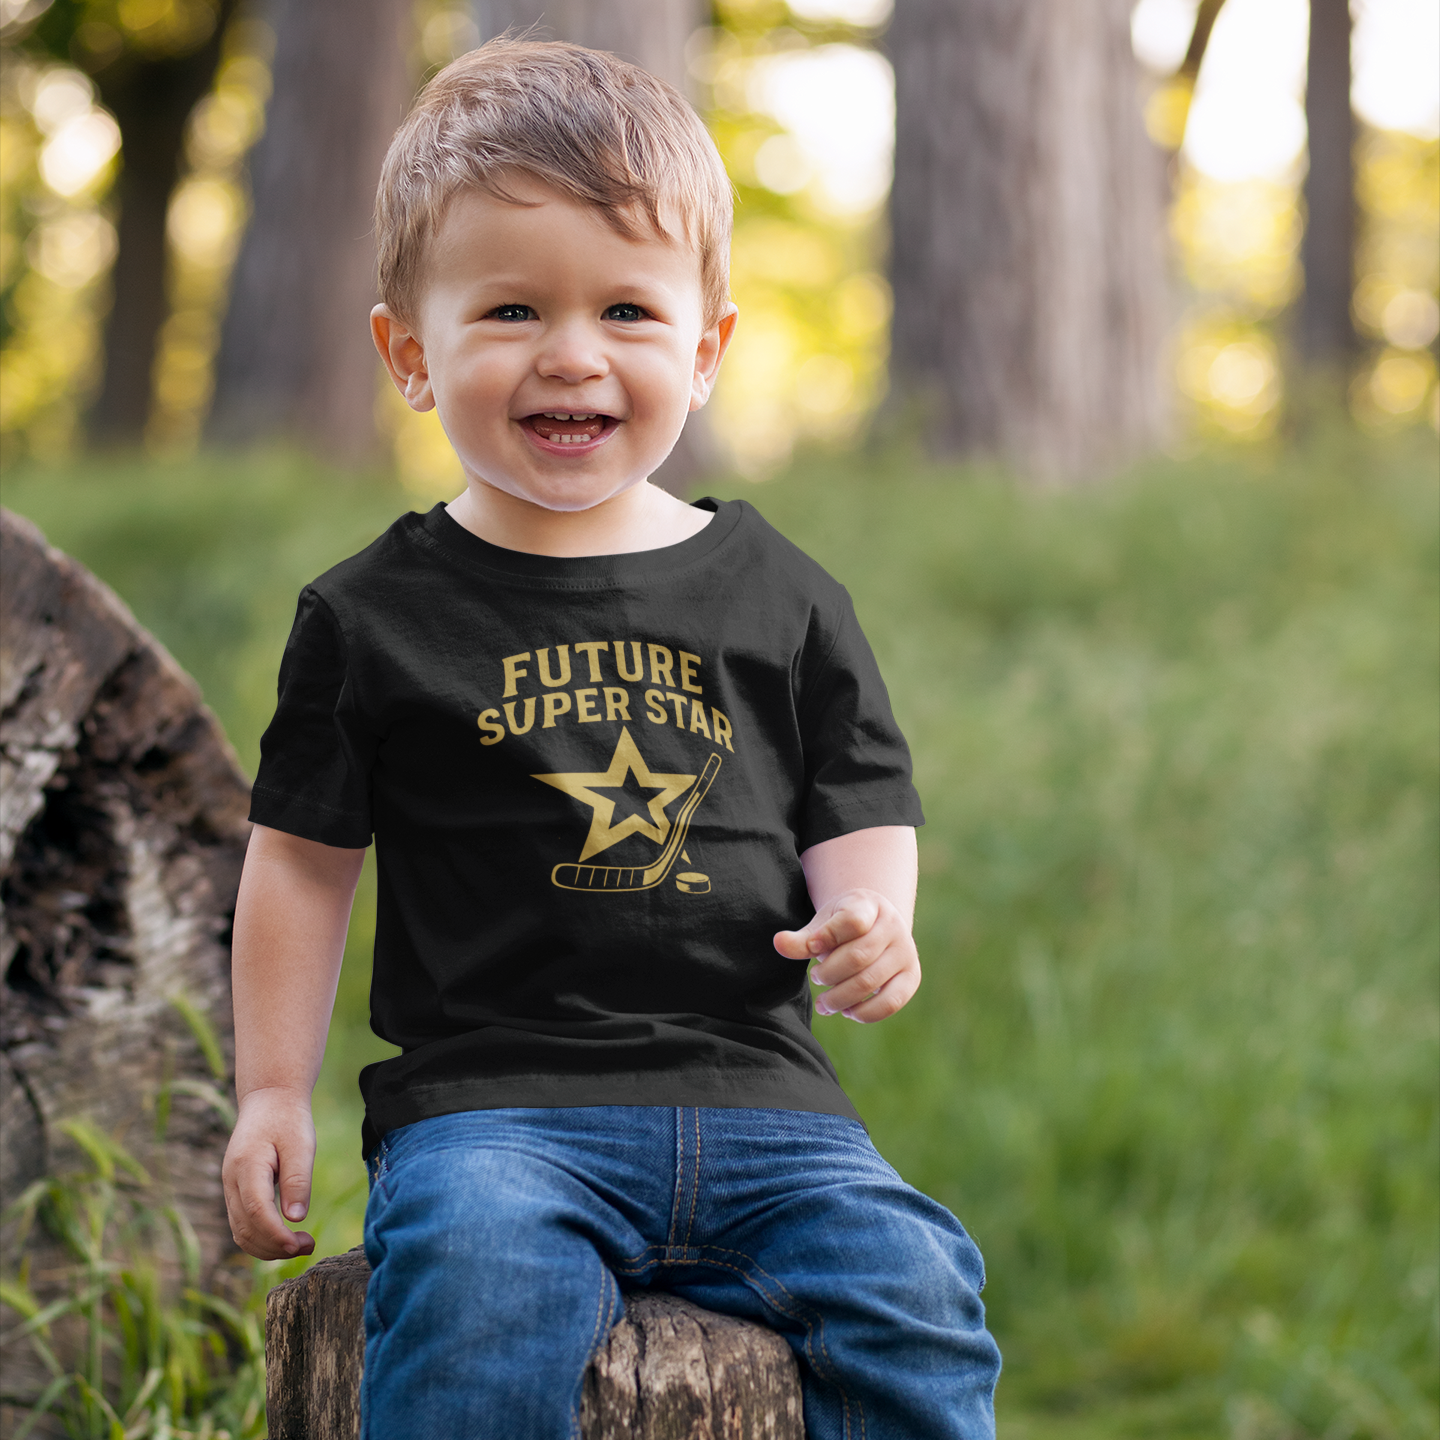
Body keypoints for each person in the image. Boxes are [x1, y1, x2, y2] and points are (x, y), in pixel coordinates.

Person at [221, 37, 1001, 1440]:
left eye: (628, 310)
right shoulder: (372, 614)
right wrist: (271, 1090)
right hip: (495, 1118)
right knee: (476, 1294)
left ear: (704, 351)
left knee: (919, 1288)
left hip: (769, 1108)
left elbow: (857, 796)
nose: (572, 353)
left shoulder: (780, 594)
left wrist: (872, 916)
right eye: (513, 307)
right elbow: (298, 863)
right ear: (410, 354)